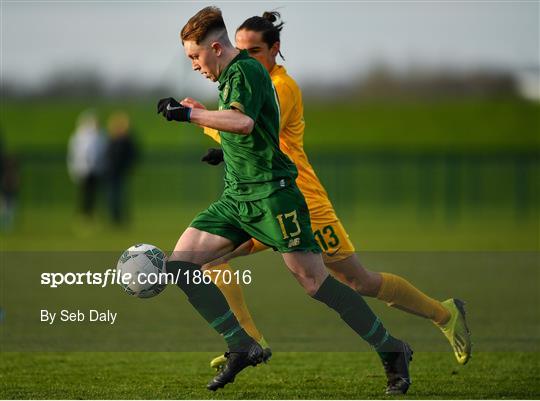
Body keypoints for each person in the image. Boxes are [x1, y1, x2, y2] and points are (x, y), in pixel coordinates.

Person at [197, 12, 472, 371]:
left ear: (275, 50)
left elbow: (251, 128)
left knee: (359, 281)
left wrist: (204, 123)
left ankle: (443, 313)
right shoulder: (245, 78)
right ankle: (250, 340)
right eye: (241, 49)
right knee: (210, 260)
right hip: (263, 199)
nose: (246, 56)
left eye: (255, 50)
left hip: (302, 202)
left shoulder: (281, 86)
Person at [158, 6, 412, 394]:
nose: (193, 65)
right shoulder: (231, 76)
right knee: (180, 263)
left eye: (195, 56)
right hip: (237, 199)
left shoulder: (244, 71)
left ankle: (391, 349)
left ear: (214, 47)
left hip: (274, 197)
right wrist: (209, 125)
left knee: (316, 284)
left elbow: (242, 122)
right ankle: (241, 345)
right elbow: (249, 130)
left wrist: (187, 116)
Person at [67, 110, 106, 221]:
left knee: (93, 194)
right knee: (84, 194)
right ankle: (83, 215)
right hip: (83, 170)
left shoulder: (100, 136)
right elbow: (75, 154)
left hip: (95, 170)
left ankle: (91, 215)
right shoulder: (80, 136)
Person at [105, 112, 138, 226]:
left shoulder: (127, 140)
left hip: (121, 172)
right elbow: (108, 155)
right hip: (111, 172)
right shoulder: (112, 140)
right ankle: (114, 218)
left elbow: (133, 155)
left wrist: (128, 167)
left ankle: (121, 218)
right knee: (112, 196)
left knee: (120, 195)